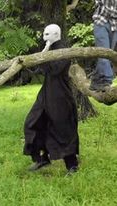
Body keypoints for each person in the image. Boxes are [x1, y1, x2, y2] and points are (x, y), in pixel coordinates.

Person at [23, 24, 79, 174]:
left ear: (56, 34)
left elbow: (54, 70)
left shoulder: (63, 50)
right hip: (46, 94)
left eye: (47, 34)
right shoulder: (48, 48)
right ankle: (42, 158)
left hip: (60, 96)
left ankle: (72, 165)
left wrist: (45, 52)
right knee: (33, 122)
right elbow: (40, 69)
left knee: (63, 128)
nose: (44, 37)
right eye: (44, 34)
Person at [89, 0, 117, 91]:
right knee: (104, 53)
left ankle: (96, 81)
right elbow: (109, 9)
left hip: (115, 25)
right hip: (101, 22)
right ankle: (107, 82)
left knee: (107, 57)